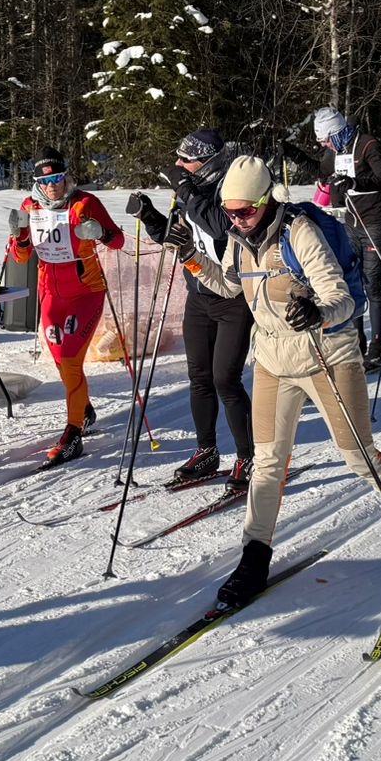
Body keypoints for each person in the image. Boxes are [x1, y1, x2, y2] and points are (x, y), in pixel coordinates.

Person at [186, 156, 381, 605]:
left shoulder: (300, 232)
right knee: (267, 463)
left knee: (357, 455)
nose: (237, 221)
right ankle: (254, 557)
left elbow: (342, 299)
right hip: (275, 361)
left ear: (267, 200)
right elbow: (229, 287)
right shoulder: (239, 240)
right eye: (229, 213)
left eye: (245, 211)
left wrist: (318, 311)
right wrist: (190, 256)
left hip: (327, 356)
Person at [128, 128, 253, 492]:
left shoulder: (230, 188)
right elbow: (178, 235)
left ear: (209, 163)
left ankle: (248, 457)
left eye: (187, 161)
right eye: (178, 160)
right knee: (198, 378)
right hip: (198, 294)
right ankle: (207, 450)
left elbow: (216, 226)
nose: (179, 166)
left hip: (233, 298)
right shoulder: (190, 192)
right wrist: (150, 216)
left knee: (225, 380)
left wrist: (184, 189)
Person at [7, 151, 124, 465]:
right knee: (60, 359)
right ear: (38, 184)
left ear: (66, 177)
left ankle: (72, 434)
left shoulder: (84, 204)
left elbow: (118, 240)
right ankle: (83, 409)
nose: (53, 187)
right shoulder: (29, 207)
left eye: (57, 179)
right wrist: (19, 237)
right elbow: (19, 257)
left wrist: (99, 232)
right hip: (51, 295)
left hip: (86, 292)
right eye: (46, 181)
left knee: (70, 360)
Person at [312, 105, 381, 366]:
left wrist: (355, 183)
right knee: (354, 283)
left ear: (337, 133)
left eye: (327, 139)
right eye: (323, 142)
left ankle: (377, 344)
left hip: (375, 220)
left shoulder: (367, 144)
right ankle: (358, 342)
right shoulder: (335, 151)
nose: (327, 145)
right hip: (351, 221)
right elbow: (321, 170)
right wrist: (294, 156)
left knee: (373, 282)